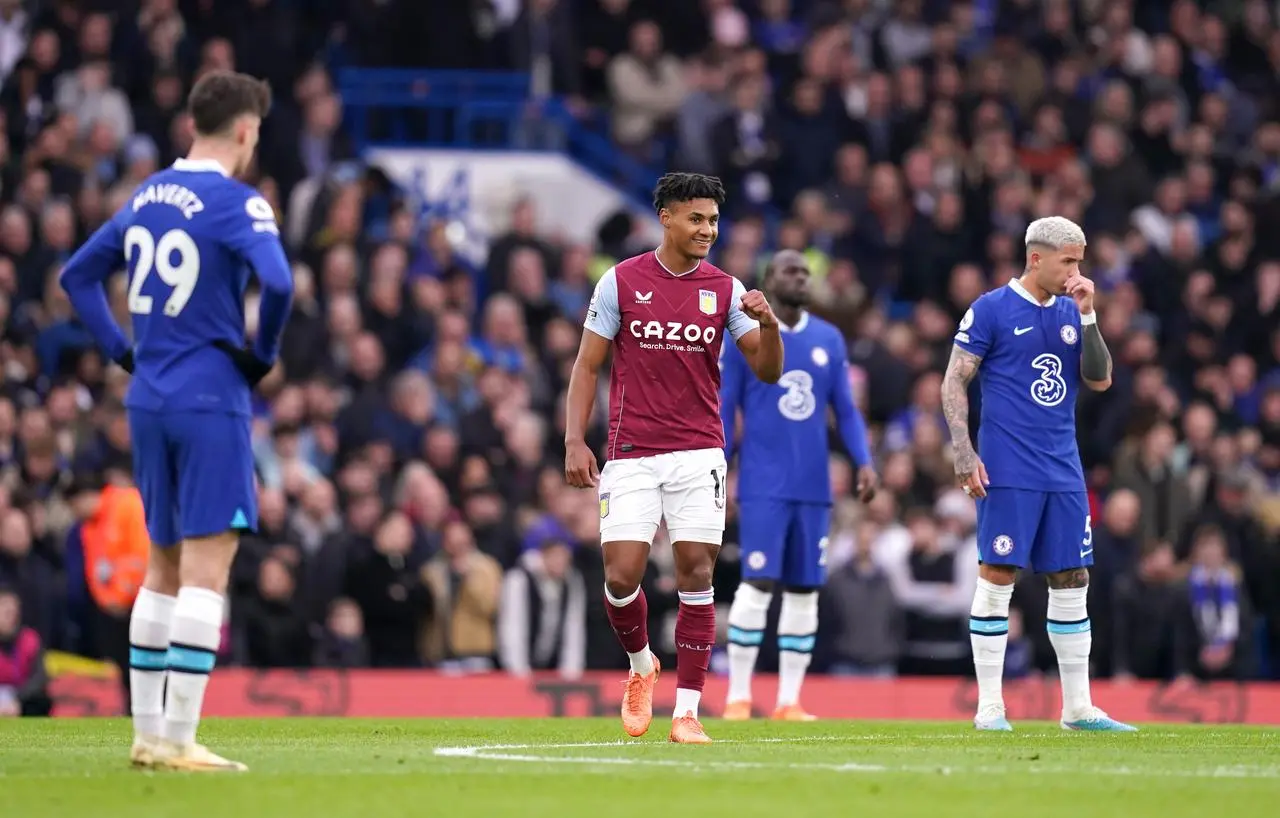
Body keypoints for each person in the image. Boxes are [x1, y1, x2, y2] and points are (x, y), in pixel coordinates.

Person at [59, 70, 294, 770]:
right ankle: (182, 739)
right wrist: (264, 354)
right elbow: (278, 282)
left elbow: (78, 275)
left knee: (161, 567)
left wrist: (119, 351)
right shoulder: (237, 203)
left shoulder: (145, 195)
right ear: (246, 131)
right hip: (209, 398)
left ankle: (148, 734)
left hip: (149, 399)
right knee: (205, 570)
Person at [564, 172, 783, 744]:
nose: (707, 230)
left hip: (699, 452)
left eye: (712, 220)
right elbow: (587, 365)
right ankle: (641, 667)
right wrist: (573, 439)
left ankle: (686, 712)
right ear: (665, 217)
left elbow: (767, 370)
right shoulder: (620, 281)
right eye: (696, 219)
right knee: (620, 577)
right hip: (631, 451)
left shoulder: (727, 290)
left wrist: (769, 325)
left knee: (697, 571)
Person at [941, 216, 1136, 732]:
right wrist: (963, 450)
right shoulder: (992, 309)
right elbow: (954, 381)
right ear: (1036, 258)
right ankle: (989, 707)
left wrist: (1090, 316)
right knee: (999, 574)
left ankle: (1077, 709)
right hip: (1008, 467)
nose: (1077, 271)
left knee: (1072, 578)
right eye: (1069, 260)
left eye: (1080, 260)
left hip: (1064, 468)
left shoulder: (1074, 312)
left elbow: (1099, 379)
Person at [719, 250, 877, 721]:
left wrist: (864, 460)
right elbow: (727, 408)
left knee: (806, 589)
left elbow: (845, 410)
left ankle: (789, 700)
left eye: (806, 272)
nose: (802, 278)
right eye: (791, 271)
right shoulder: (745, 338)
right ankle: (738, 697)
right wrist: (720, 466)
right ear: (768, 280)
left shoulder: (829, 338)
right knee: (758, 582)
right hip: (763, 484)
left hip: (813, 487)